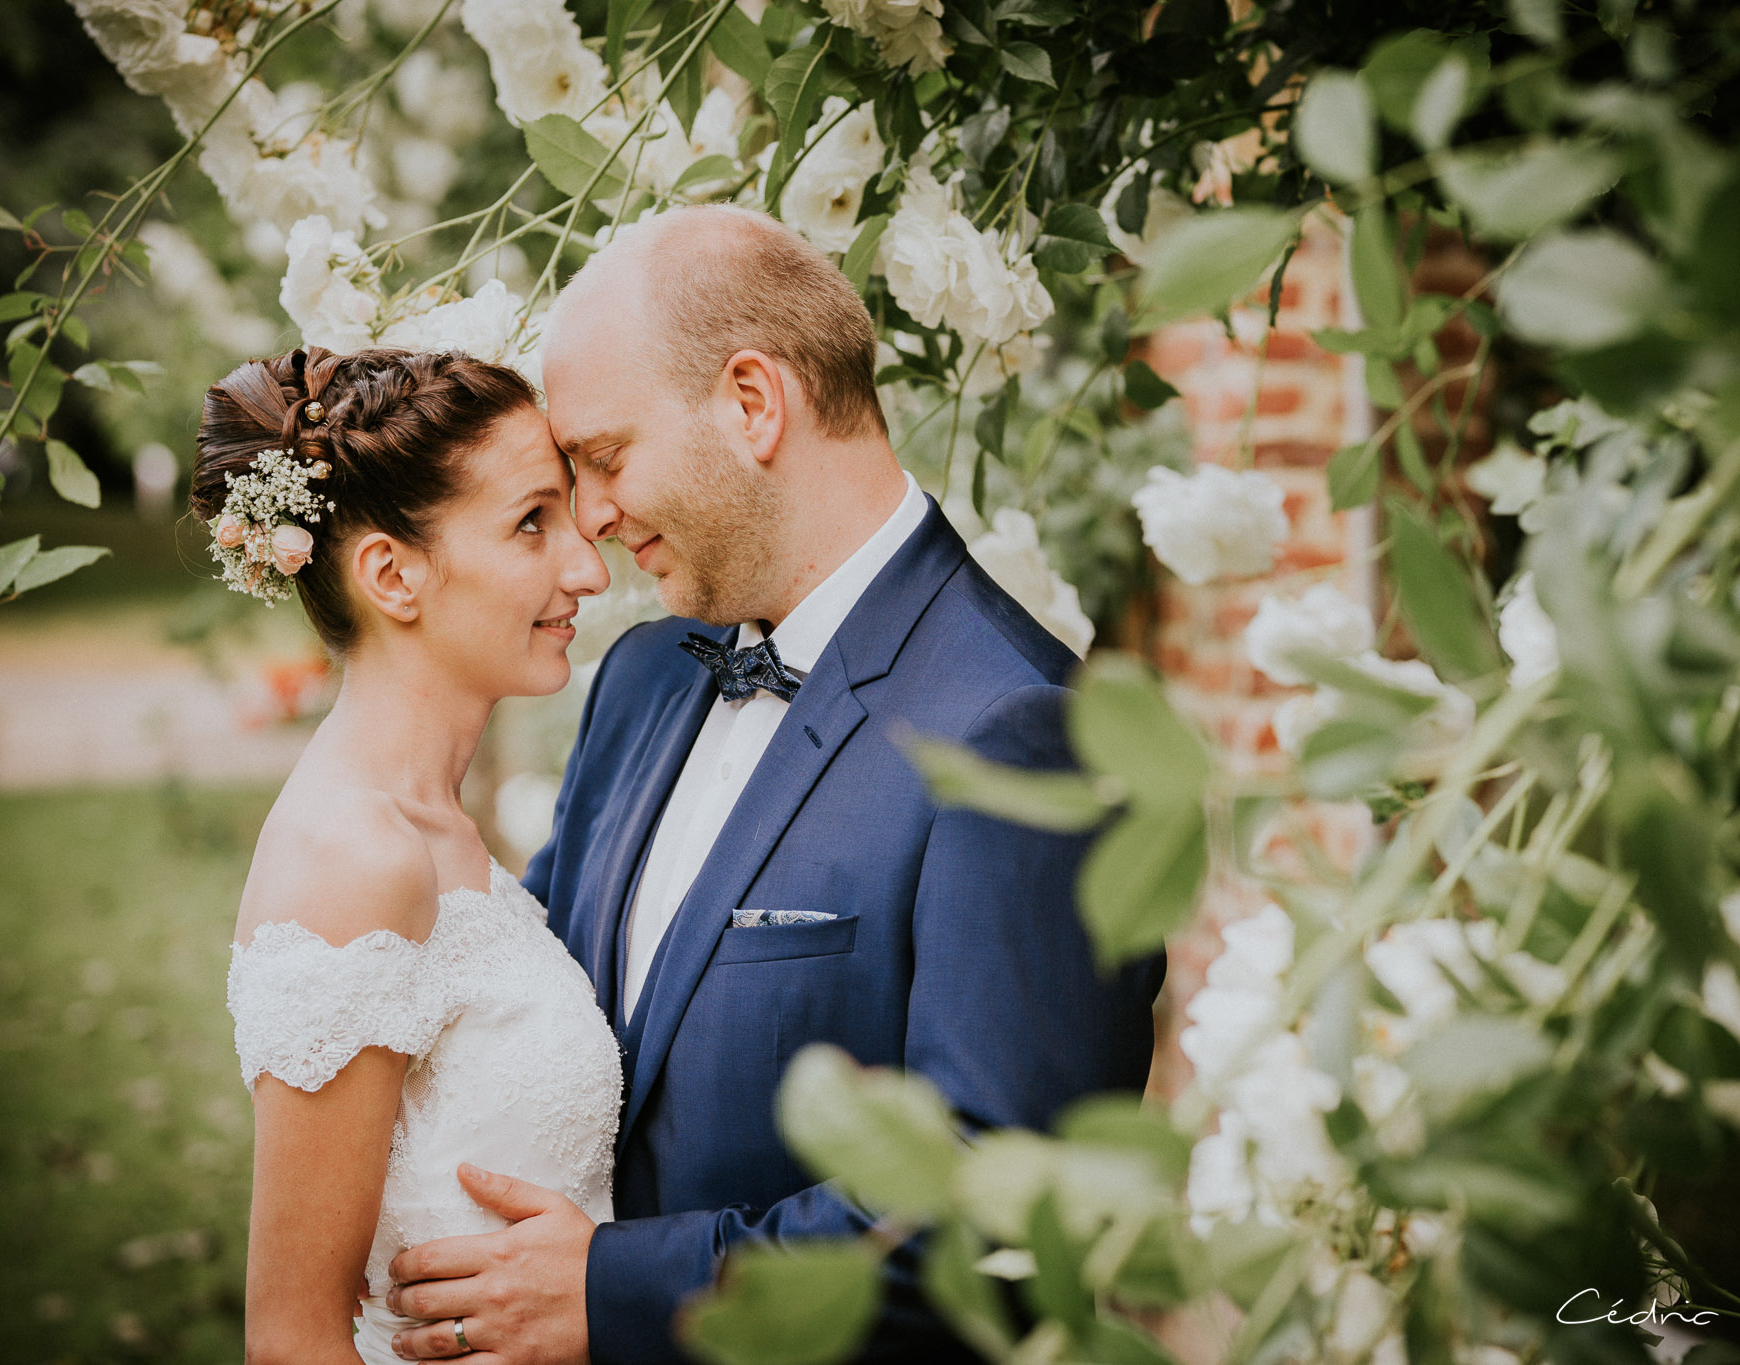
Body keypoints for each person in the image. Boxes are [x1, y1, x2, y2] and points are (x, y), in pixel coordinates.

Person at [382, 206, 1165, 1364]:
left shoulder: (1019, 730)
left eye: (602, 457)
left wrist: (614, 1293)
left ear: (752, 403)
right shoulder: (644, 678)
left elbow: (1005, 1217)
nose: (587, 524)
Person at [202, 346, 621, 1365]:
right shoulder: (355, 858)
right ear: (392, 574)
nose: (588, 568)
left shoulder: (438, 830)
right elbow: (294, 1340)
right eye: (532, 523)